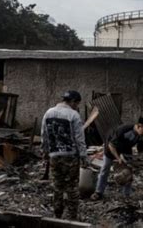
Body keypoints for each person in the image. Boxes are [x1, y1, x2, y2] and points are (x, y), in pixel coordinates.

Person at [41, 90, 87, 220]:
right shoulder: (74, 115)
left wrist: (45, 152)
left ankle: (57, 215)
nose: (77, 106)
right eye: (77, 103)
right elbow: (79, 139)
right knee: (72, 187)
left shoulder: (48, 112)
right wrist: (84, 156)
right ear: (72, 101)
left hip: (54, 155)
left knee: (57, 186)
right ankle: (72, 217)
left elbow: (44, 135)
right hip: (70, 156)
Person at [90, 118, 143, 200]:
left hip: (126, 149)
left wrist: (141, 160)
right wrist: (118, 158)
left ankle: (126, 193)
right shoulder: (123, 130)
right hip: (111, 148)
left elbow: (140, 150)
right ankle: (98, 192)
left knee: (129, 170)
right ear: (138, 126)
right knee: (105, 168)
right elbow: (111, 145)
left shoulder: (142, 136)